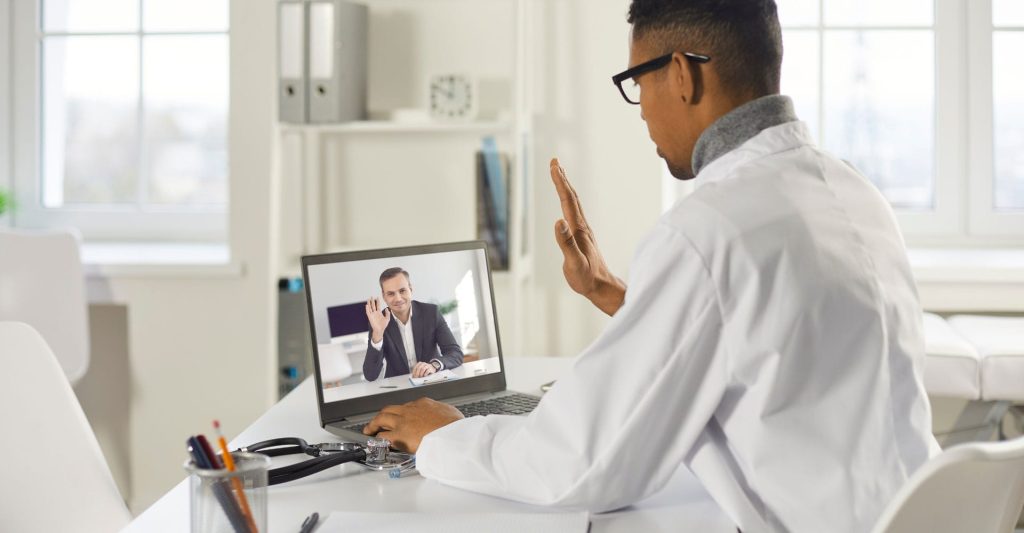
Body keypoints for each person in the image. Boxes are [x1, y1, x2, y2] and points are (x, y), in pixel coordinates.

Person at [363, 1, 939, 530]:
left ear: (682, 74)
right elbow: (768, 332)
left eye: (638, 83)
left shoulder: (708, 229)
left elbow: (584, 463)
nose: (640, 114)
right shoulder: (851, 190)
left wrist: (445, 436)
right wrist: (614, 293)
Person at [362, 267, 464, 380]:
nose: (398, 298)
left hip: (432, 380)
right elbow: (370, 375)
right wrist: (378, 334)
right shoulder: (378, 321)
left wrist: (434, 365)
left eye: (402, 291)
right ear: (384, 296)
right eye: (391, 294)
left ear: (410, 289)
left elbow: (455, 353)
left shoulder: (431, 313)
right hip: (400, 388)